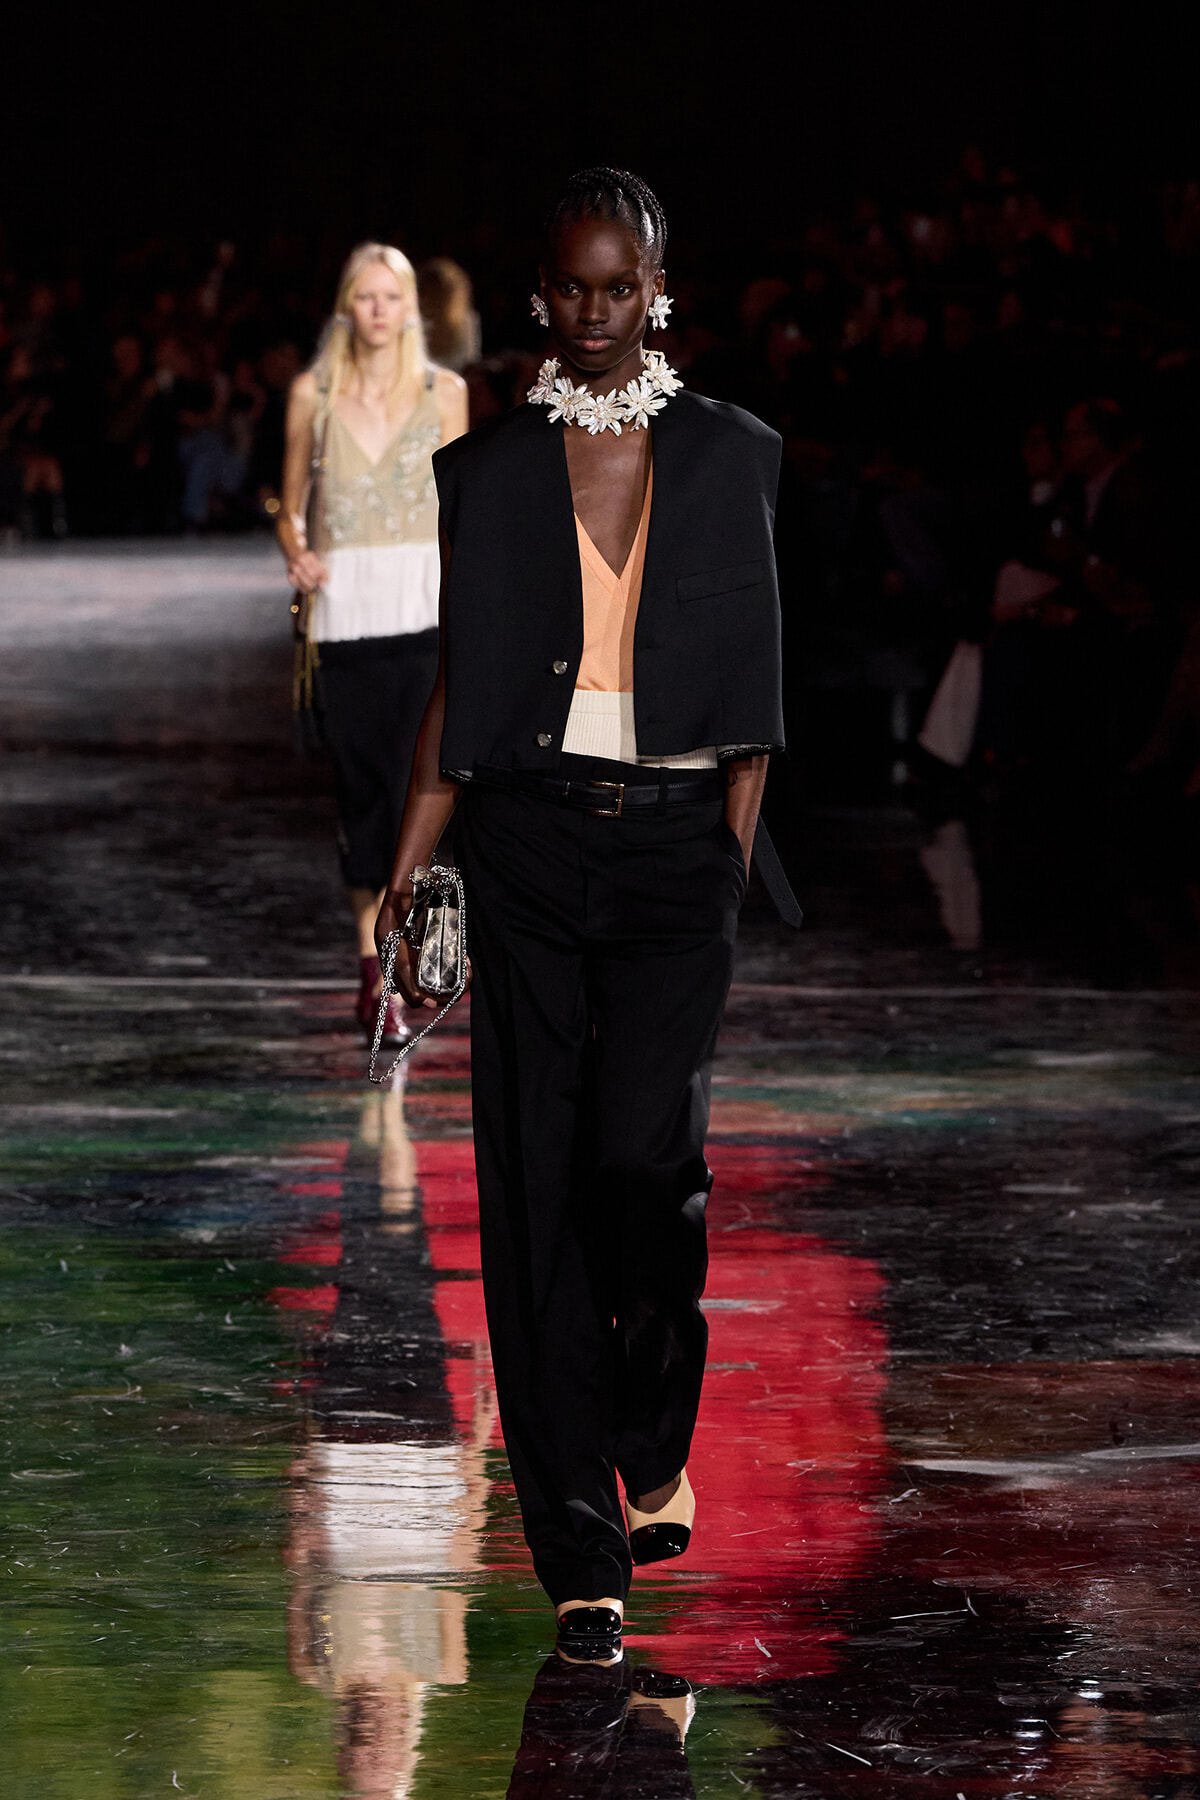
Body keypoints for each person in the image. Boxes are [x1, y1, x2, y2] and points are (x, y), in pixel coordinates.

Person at [375, 169, 785, 1655]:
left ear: (657, 287)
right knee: (535, 1187)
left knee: (642, 1162)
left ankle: (651, 1432)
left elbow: (755, 695)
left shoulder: (735, 454)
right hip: (529, 849)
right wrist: (411, 876)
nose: (596, 312)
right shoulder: (485, 474)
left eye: (621, 287)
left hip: (677, 853)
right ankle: (576, 1540)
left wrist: (723, 868)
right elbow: (461, 685)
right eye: (573, 287)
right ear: (539, 294)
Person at [277, 243, 468, 1037]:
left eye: (392, 296)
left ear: (412, 307)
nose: (379, 310)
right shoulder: (313, 394)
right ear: (347, 306)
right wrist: (297, 553)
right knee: (363, 799)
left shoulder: (444, 394)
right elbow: (289, 505)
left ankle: (400, 962)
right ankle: (376, 973)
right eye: (366, 296)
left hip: (424, 613)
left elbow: (462, 509)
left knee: (415, 792)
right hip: (346, 613)